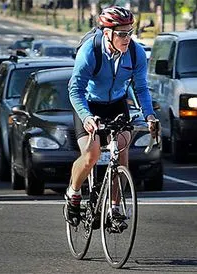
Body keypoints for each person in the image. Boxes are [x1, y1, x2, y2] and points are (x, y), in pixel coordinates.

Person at [65, 6, 159, 227]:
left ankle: (114, 208)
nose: (127, 38)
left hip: (116, 103)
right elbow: (74, 90)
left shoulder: (136, 53)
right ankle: (74, 192)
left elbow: (141, 88)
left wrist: (150, 116)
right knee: (92, 154)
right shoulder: (90, 52)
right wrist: (87, 117)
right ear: (107, 32)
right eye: (122, 34)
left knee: (122, 153)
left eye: (130, 32)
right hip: (88, 104)